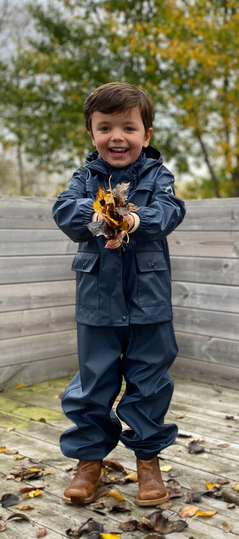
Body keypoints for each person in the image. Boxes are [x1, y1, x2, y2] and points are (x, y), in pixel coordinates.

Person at [53, 82, 186, 507]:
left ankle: (148, 461)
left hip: (149, 302)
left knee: (149, 381)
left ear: (146, 135)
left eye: (128, 127)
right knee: (94, 384)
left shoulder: (157, 176)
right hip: (97, 304)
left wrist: (131, 220)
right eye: (104, 127)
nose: (116, 137)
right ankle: (89, 461)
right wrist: (102, 218)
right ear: (91, 134)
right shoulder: (85, 178)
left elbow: (169, 211)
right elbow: (65, 212)